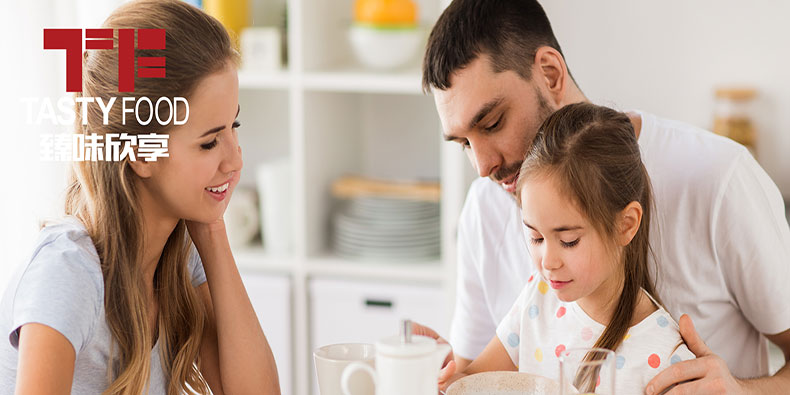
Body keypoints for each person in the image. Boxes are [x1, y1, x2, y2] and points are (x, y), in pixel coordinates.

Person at [417, 1, 790, 394]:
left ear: (550, 73)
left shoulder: (717, 177)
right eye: (463, 143)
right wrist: (440, 370)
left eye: (493, 123)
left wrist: (743, 392)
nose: (481, 166)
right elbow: (477, 375)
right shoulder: (484, 207)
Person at [0, 1, 280, 394]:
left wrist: (213, 230)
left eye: (234, 125)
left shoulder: (178, 253)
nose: (236, 159)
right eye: (209, 142)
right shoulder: (67, 273)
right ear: (141, 154)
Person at [439, 102, 695, 393]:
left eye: (569, 241)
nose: (548, 262)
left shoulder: (665, 354)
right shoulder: (539, 298)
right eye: (536, 238)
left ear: (625, 225)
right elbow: (474, 381)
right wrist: (446, 379)